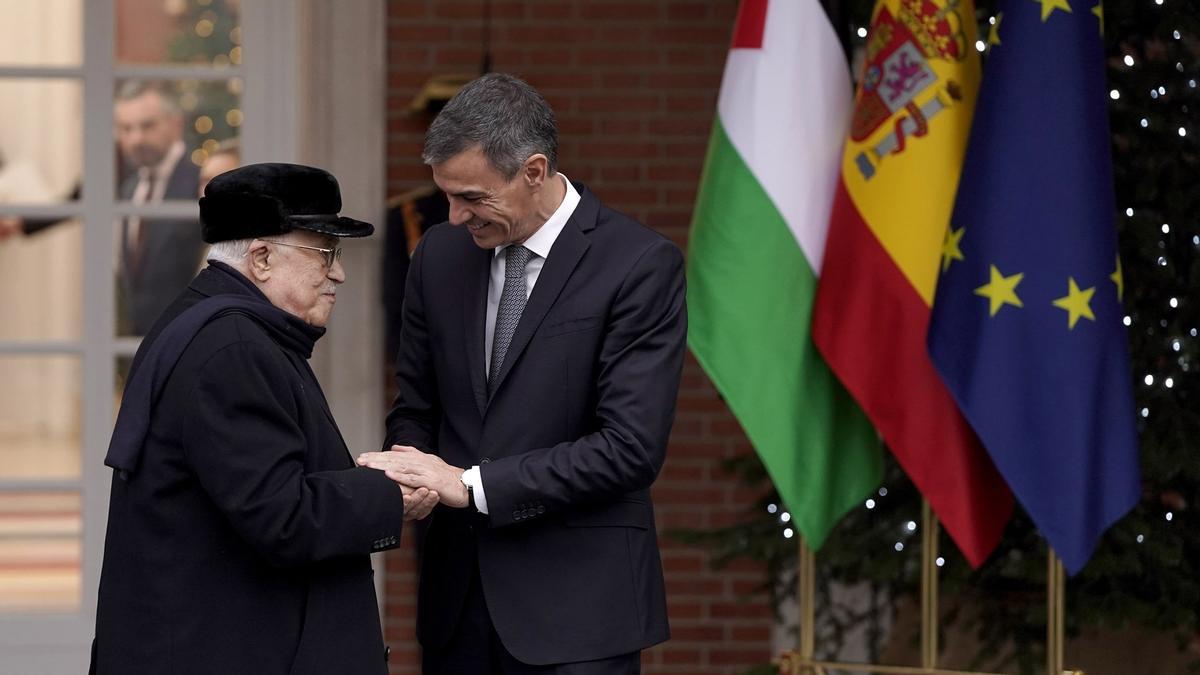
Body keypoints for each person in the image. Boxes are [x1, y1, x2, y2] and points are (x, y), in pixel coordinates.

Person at [357, 73, 687, 674]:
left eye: (472, 197)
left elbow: (629, 448)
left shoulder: (638, 265)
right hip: (457, 605)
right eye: (447, 195)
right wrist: (409, 471)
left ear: (534, 171)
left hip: (578, 614)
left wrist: (472, 485)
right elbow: (417, 406)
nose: (455, 215)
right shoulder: (438, 256)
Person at [91, 163, 436, 675]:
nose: (338, 273)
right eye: (325, 252)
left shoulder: (218, 324)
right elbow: (282, 518)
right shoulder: (232, 347)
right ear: (261, 258)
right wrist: (390, 494)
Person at [112, 79, 206, 334]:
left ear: (176, 124)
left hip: (189, 336)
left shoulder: (201, 184)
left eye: (147, 126)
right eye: (126, 128)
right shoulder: (129, 189)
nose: (136, 139)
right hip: (138, 343)